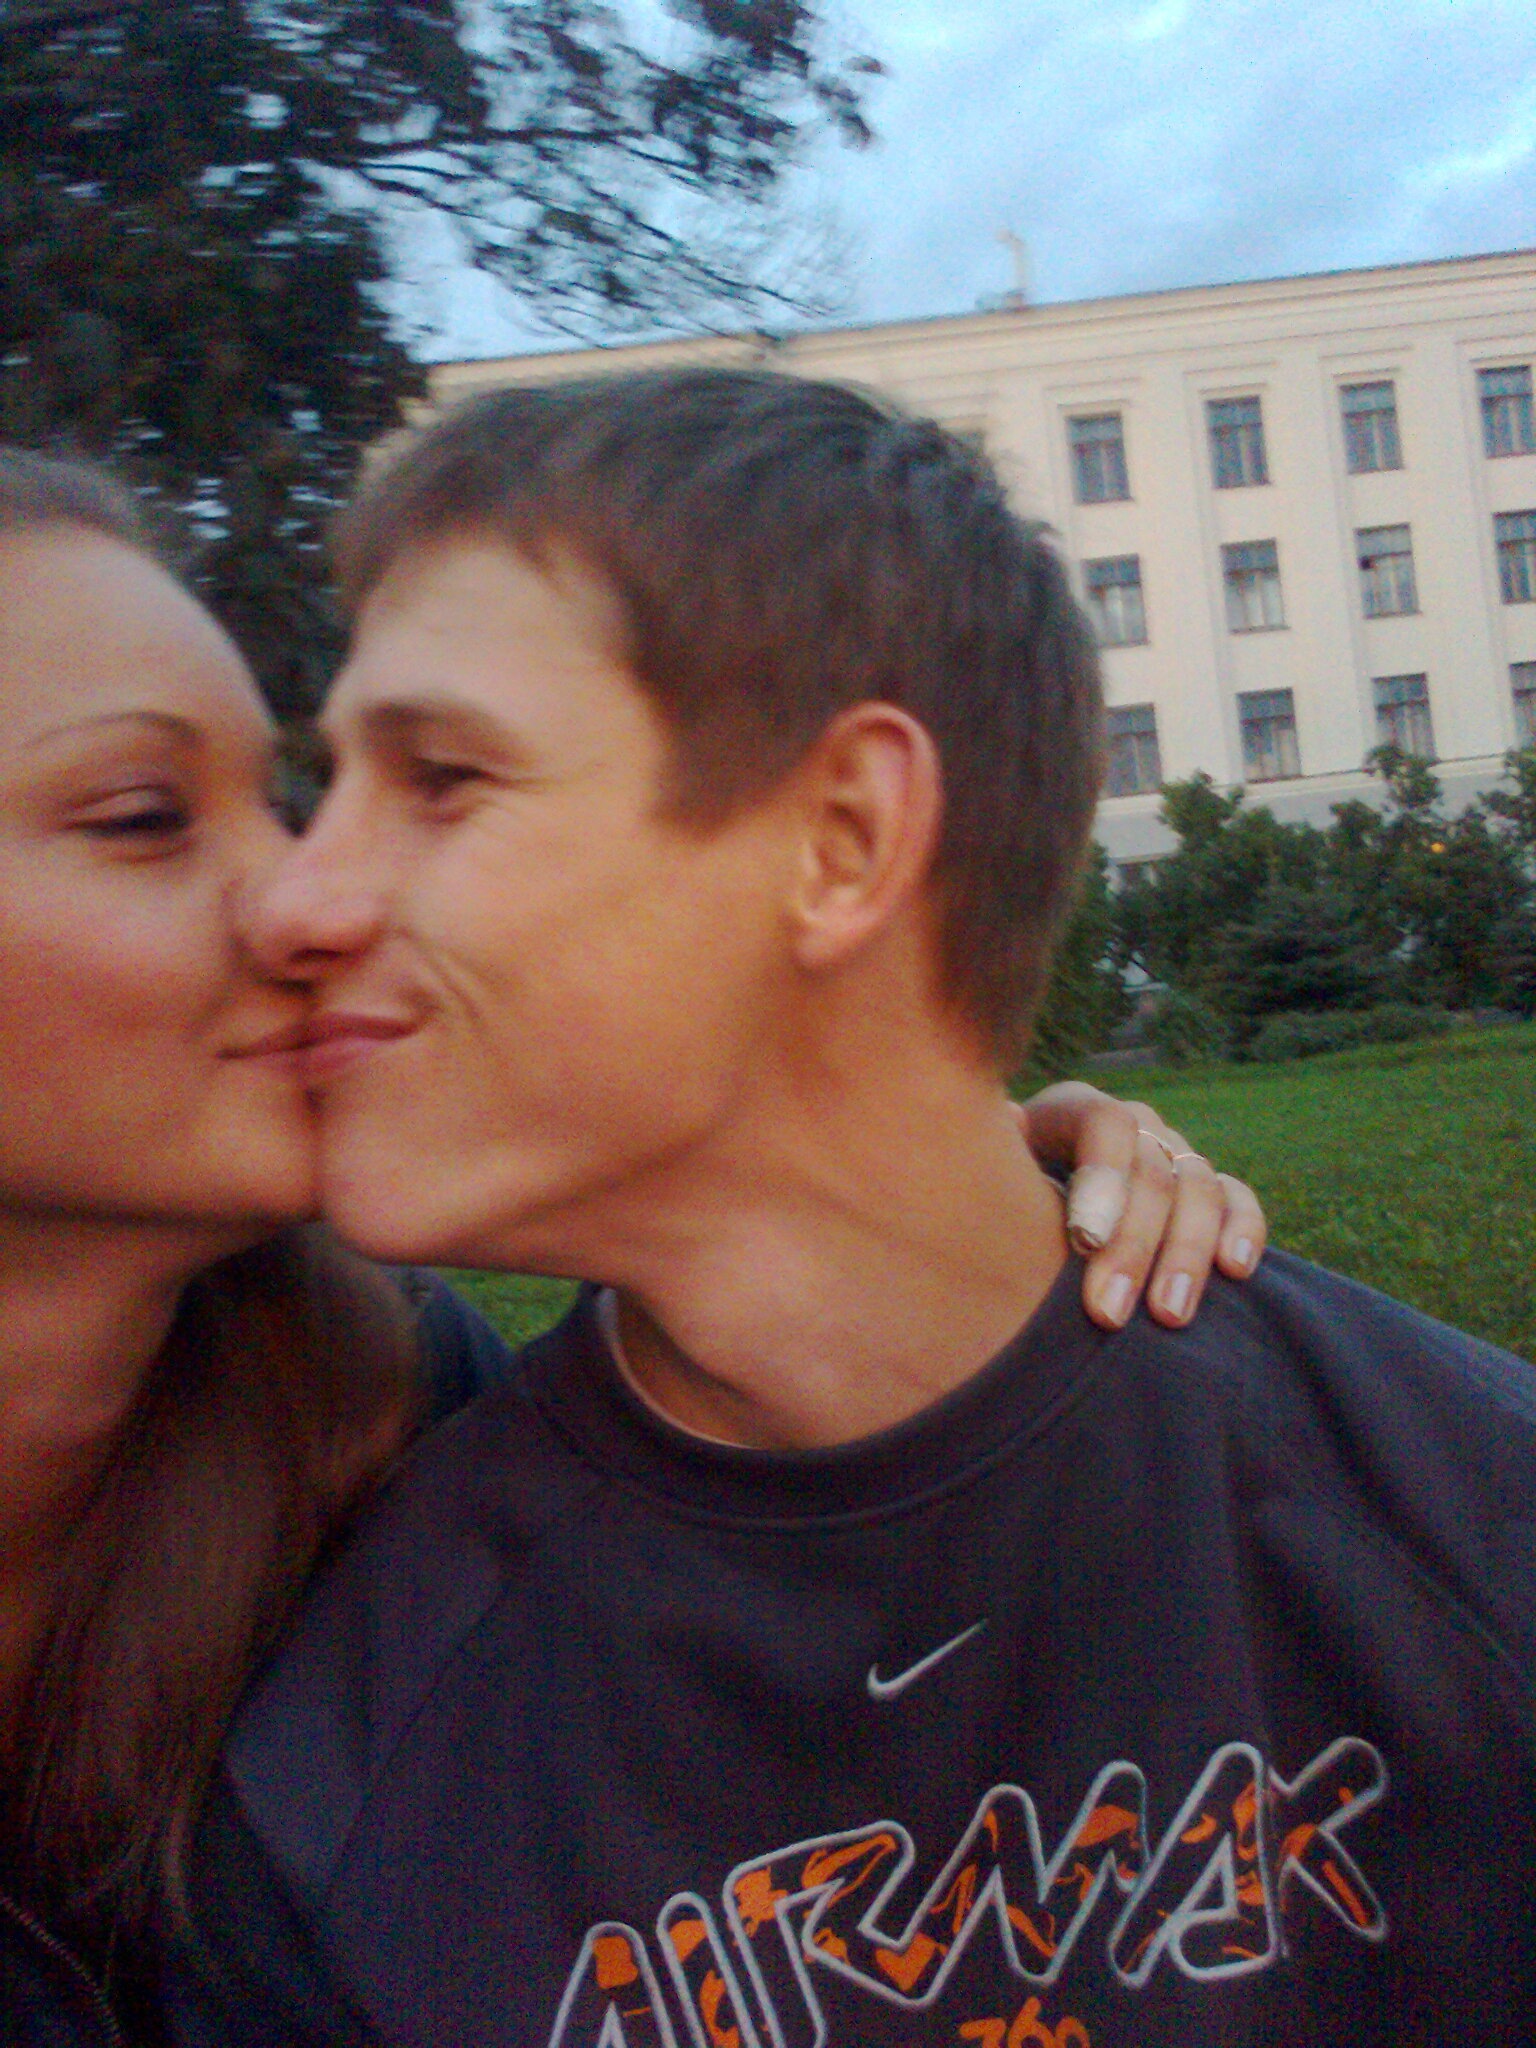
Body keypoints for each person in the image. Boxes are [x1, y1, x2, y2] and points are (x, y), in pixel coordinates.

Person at [167, 367, 1536, 2047]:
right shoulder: (344, 1768)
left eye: (442, 779)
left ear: (843, 837)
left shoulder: (1467, 1536)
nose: (293, 902)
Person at [0, 445, 1251, 2047]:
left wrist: (945, 1180)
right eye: (141, 818)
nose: (304, 897)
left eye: (287, 803)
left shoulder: (373, 1409)